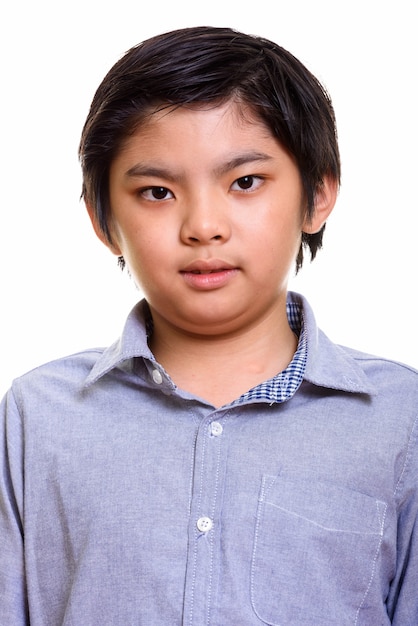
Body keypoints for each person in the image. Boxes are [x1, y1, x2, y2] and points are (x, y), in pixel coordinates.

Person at [1, 26, 417, 626]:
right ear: (101, 217)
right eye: (157, 191)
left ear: (317, 195)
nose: (203, 226)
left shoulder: (401, 418)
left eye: (245, 182)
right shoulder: (36, 418)